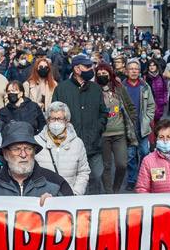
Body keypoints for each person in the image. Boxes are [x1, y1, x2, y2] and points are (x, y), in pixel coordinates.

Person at [0, 121, 74, 201]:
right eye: (16, 149)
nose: (23, 155)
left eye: (28, 148)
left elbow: (74, 216)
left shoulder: (56, 183)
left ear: (34, 151)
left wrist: (57, 206)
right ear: (5, 154)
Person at [53, 54, 108, 193]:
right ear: (77, 69)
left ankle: (95, 209)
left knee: (96, 176)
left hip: (93, 143)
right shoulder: (62, 89)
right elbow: (54, 114)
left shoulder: (96, 89)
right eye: (87, 66)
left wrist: (98, 128)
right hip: (70, 144)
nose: (92, 69)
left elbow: (103, 112)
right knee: (73, 179)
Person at [95, 64, 139, 194]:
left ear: (110, 74)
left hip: (120, 133)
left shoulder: (119, 88)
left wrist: (132, 120)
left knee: (122, 164)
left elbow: (130, 106)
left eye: (105, 73)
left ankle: (116, 189)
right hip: (103, 135)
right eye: (99, 74)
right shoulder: (95, 90)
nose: (102, 76)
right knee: (106, 166)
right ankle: (109, 193)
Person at [34, 101, 92, 195]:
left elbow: (83, 172)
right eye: (52, 119)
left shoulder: (77, 143)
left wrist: (76, 193)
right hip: (43, 199)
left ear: (67, 121)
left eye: (60, 119)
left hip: (69, 198)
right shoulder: (37, 142)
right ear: (47, 120)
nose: (56, 122)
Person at [121, 60, 156, 190]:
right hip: (128, 128)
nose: (134, 71)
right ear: (126, 71)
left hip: (142, 127)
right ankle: (132, 179)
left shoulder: (145, 86)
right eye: (131, 69)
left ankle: (143, 178)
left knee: (145, 153)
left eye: (136, 69)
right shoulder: (121, 87)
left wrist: (147, 119)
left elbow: (151, 106)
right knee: (130, 156)